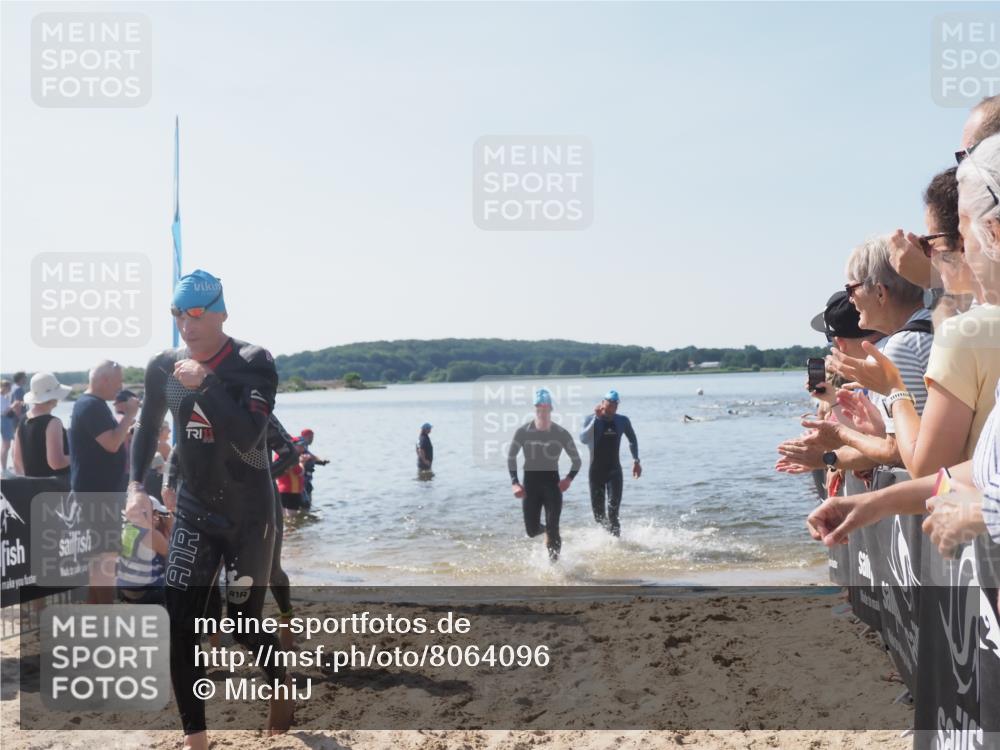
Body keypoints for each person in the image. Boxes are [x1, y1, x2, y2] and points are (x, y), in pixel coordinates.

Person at [128, 269, 292, 746]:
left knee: (242, 625)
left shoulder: (251, 362)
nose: (187, 323)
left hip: (249, 515)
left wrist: (208, 384)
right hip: (196, 512)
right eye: (179, 313)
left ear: (222, 312)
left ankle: (280, 678)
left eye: (197, 313)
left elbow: (249, 436)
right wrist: (137, 486)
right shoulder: (163, 365)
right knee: (181, 623)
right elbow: (145, 428)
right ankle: (196, 739)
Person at [69, 361, 138, 604]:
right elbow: (111, 443)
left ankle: (95, 613)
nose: (120, 387)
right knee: (104, 557)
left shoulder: (92, 405)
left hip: (98, 491)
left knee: (101, 555)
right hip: (97, 492)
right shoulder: (90, 405)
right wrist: (129, 415)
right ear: (105, 380)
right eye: (118, 382)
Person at [507, 388, 581, 561]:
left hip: (552, 486)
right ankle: (547, 530)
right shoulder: (523, 431)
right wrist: (515, 482)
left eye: (546, 408)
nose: (543, 412)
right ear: (535, 409)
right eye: (539, 409)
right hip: (530, 486)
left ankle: (555, 568)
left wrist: (569, 479)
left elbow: (577, 460)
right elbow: (511, 457)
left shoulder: (560, 433)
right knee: (531, 531)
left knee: (554, 527)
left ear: (551, 409)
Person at [579, 390, 640, 537]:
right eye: (609, 405)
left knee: (613, 512)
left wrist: (636, 460)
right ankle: (609, 536)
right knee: (599, 516)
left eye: (615, 405)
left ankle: (617, 543)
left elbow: (632, 439)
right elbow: (583, 439)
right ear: (602, 403)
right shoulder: (590, 419)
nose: (612, 408)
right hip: (596, 472)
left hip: (614, 471)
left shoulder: (622, 421)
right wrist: (596, 419)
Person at [12, 372, 71, 481]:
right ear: (53, 397)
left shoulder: (23, 420)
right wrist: (78, 456)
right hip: (55, 489)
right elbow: (56, 463)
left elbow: (17, 461)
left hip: (33, 489)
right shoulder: (53, 422)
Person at [116, 491, 172, 605]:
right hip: (142, 593)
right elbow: (173, 558)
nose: (160, 518)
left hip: (123, 588)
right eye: (158, 515)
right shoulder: (152, 535)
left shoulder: (127, 528)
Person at [276, 439, 308, 515]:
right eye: (300, 446)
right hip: (292, 490)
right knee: (292, 516)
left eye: (303, 446)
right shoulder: (292, 456)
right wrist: (302, 462)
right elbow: (299, 472)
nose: (302, 448)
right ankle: (291, 527)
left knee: (282, 515)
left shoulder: (277, 455)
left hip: (281, 489)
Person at [298, 428, 327, 504]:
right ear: (304, 436)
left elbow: (311, 456)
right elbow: (310, 456)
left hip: (307, 479)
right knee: (306, 502)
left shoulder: (304, 446)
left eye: (312, 437)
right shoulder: (300, 444)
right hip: (302, 480)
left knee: (307, 500)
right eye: (310, 437)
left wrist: (321, 461)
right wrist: (320, 461)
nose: (312, 439)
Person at [1, 380, 15, 472]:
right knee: (6, 446)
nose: (10, 389)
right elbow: (3, 412)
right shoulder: (1, 398)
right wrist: (13, 405)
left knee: (6, 445)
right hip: (4, 421)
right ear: (4, 387)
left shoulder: (4, 397)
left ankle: (5, 468)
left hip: (6, 421)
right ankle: (4, 469)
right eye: (9, 387)